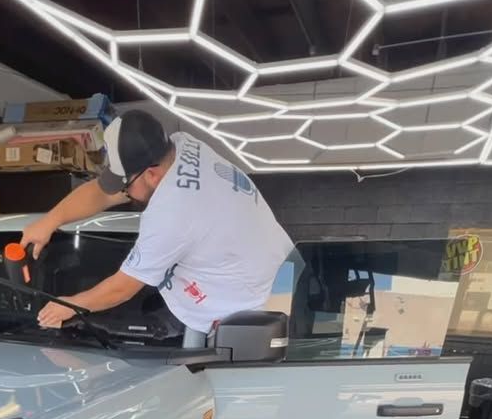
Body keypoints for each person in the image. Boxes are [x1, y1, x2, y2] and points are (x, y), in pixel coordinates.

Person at [21, 109, 295, 340]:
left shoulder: (173, 213)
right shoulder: (182, 144)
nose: (124, 194)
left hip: (258, 310)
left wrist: (69, 306)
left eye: (125, 186)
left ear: (151, 174)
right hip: (277, 266)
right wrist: (50, 220)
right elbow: (102, 193)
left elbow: (122, 289)